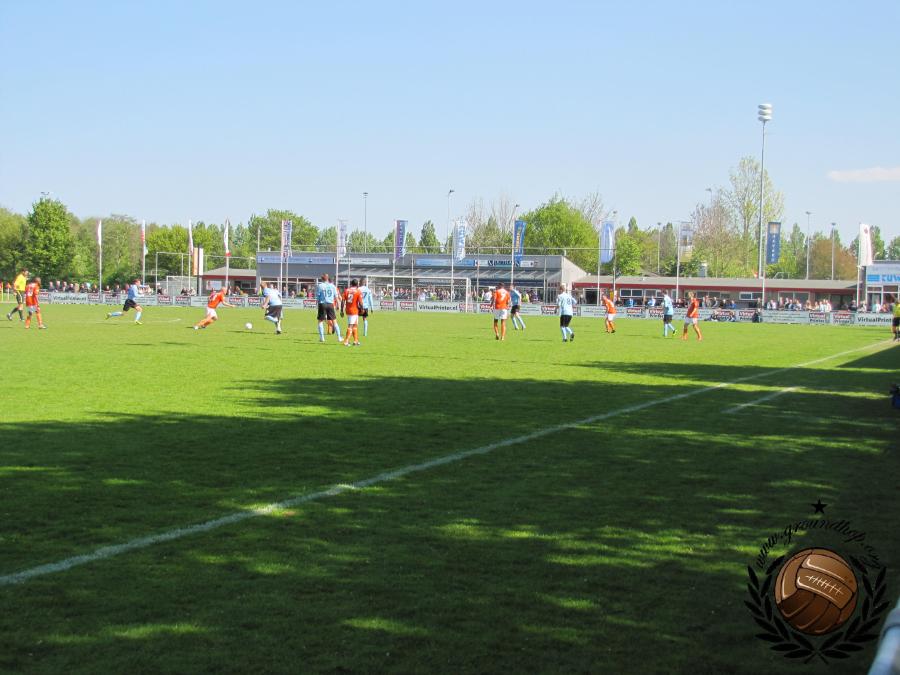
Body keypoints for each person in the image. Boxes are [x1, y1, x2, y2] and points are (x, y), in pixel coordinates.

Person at [315, 274, 342, 342]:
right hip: (330, 304)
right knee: (334, 321)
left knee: (320, 321)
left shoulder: (320, 285)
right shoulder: (332, 286)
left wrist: (316, 305)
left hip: (322, 304)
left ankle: (322, 338)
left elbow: (318, 296)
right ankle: (339, 337)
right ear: (328, 278)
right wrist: (338, 305)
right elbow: (336, 296)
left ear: (322, 279)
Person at [341, 278, 364, 346]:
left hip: (348, 310)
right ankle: (346, 341)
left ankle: (355, 341)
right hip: (354, 311)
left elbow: (343, 301)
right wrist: (362, 309)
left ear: (351, 284)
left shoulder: (346, 290)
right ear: (357, 284)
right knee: (350, 325)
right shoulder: (358, 291)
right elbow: (360, 302)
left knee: (355, 325)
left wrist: (342, 310)